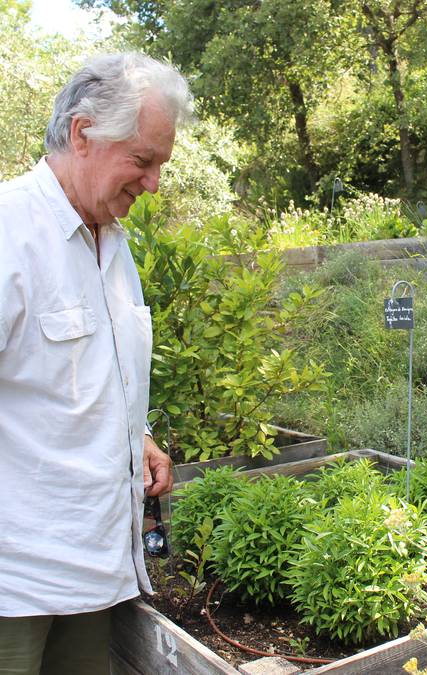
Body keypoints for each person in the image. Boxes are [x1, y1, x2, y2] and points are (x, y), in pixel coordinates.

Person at [0, 52, 193, 674]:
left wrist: (134, 437)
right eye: (142, 160)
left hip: (93, 572)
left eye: (161, 163)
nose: (155, 183)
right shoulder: (11, 236)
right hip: (14, 584)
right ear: (82, 134)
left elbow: (81, 375)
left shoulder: (112, 242)